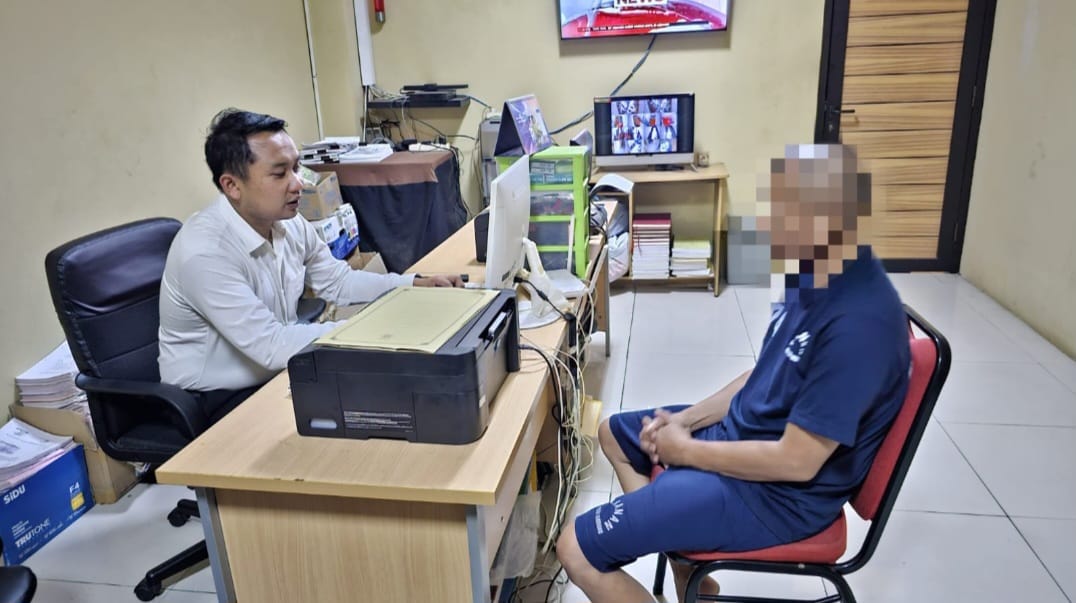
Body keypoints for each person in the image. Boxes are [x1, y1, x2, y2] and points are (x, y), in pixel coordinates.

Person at [556, 143, 911, 603]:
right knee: (615, 434)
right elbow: (763, 373)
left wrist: (687, 453)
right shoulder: (822, 273)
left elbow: (797, 461)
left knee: (575, 549)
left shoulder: (859, 326)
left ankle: (677, 536)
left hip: (776, 497)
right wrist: (687, 422)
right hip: (741, 439)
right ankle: (690, 568)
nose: (769, 226)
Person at [158, 109, 460, 413]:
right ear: (232, 186)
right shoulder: (205, 252)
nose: (298, 184)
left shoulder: (287, 222)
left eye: (296, 168)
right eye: (279, 174)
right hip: (214, 395)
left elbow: (339, 282)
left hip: (278, 366)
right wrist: (371, 326)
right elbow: (270, 345)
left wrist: (412, 285)